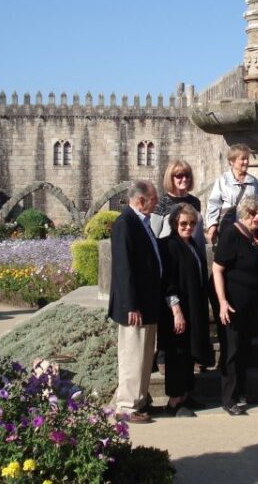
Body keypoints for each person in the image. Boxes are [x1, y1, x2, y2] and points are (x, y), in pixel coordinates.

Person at [108, 180, 162, 424]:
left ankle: (138, 400)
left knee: (143, 355)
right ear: (141, 200)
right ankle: (126, 406)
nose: (157, 203)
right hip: (134, 305)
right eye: (153, 199)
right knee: (132, 354)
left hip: (147, 302)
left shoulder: (141, 222)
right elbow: (124, 268)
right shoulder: (125, 224)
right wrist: (131, 304)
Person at [212, 196, 258, 416]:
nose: (256, 217)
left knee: (245, 348)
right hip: (232, 304)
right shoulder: (231, 234)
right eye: (252, 213)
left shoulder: (257, 237)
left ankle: (241, 392)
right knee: (232, 350)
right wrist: (222, 302)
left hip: (249, 305)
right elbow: (217, 270)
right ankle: (228, 398)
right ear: (243, 213)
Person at [159, 203, 213, 418]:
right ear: (174, 223)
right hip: (177, 309)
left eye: (192, 223)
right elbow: (168, 282)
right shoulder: (168, 245)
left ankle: (185, 394)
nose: (188, 227)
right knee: (176, 354)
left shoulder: (192, 245)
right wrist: (176, 310)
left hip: (193, 307)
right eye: (183, 223)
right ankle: (174, 400)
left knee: (188, 352)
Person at [206, 144, 258, 247]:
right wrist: (212, 225)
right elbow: (214, 204)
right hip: (228, 228)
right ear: (232, 161)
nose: (246, 162)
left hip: (248, 229)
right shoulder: (223, 181)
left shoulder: (254, 182)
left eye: (247, 159)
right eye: (242, 159)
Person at [150, 160, 205, 246]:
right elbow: (154, 233)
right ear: (171, 178)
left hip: (192, 252)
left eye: (187, 175)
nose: (184, 179)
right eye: (179, 176)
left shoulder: (195, 202)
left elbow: (196, 232)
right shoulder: (161, 202)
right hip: (169, 253)